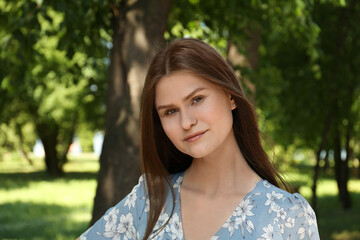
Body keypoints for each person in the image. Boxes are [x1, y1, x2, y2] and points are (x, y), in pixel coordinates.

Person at [79, 39, 320, 240]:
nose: (186, 122)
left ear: (230, 96)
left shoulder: (288, 217)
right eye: (170, 111)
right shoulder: (149, 200)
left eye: (197, 99)